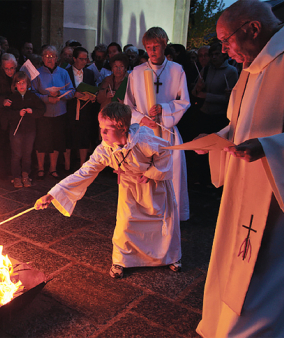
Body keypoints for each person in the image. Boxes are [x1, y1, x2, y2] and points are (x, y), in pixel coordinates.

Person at [195, 1, 284, 336]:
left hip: (280, 210)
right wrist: (218, 139)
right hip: (241, 196)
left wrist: (271, 148)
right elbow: (238, 126)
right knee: (234, 269)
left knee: (268, 290)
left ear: (253, 29)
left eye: (226, 40)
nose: (223, 49)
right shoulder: (249, 71)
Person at [35, 102, 181, 278]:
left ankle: (169, 257)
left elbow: (165, 151)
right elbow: (83, 173)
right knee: (126, 223)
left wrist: (152, 173)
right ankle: (122, 260)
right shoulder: (104, 150)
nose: (102, 133)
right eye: (100, 127)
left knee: (162, 221)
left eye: (107, 129)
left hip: (153, 187)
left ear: (123, 127)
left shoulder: (143, 139)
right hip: (129, 187)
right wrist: (51, 195)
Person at [124, 26, 191, 221]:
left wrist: (164, 108)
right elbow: (128, 105)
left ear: (164, 45)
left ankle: (172, 214)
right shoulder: (136, 73)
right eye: (148, 47)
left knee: (171, 172)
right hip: (144, 131)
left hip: (167, 131)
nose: (152, 51)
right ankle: (146, 213)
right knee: (144, 172)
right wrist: (140, 119)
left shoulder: (177, 70)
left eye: (156, 46)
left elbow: (184, 101)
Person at [31, 45, 75, 180]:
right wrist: (46, 98)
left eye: (52, 56)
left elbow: (72, 91)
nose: (49, 59)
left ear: (57, 58)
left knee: (57, 141)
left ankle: (53, 168)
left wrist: (60, 94)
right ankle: (40, 168)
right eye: (46, 56)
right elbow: (32, 93)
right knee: (42, 141)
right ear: (42, 58)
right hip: (43, 113)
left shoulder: (63, 73)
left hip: (60, 113)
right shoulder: (37, 73)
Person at [6, 71, 45, 188]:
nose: (21, 85)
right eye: (19, 83)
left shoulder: (32, 97)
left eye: (24, 83)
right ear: (15, 85)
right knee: (16, 154)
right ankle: (16, 177)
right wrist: (17, 113)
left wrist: (32, 111)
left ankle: (25, 175)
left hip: (30, 130)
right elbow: (6, 113)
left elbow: (42, 109)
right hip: (16, 131)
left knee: (27, 154)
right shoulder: (12, 97)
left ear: (28, 84)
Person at [192, 42, 238, 134]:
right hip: (203, 114)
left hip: (219, 116)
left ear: (224, 55)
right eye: (212, 55)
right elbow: (194, 93)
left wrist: (207, 96)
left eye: (217, 54)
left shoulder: (231, 71)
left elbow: (231, 98)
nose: (214, 57)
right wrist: (198, 88)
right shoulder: (206, 69)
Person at [65, 46, 98, 169]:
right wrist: (74, 94)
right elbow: (63, 90)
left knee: (84, 136)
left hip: (85, 109)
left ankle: (82, 164)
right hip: (70, 108)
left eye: (86, 59)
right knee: (68, 136)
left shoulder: (89, 73)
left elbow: (94, 89)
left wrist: (92, 96)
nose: (84, 61)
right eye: (81, 59)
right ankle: (67, 165)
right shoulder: (66, 72)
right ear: (74, 58)